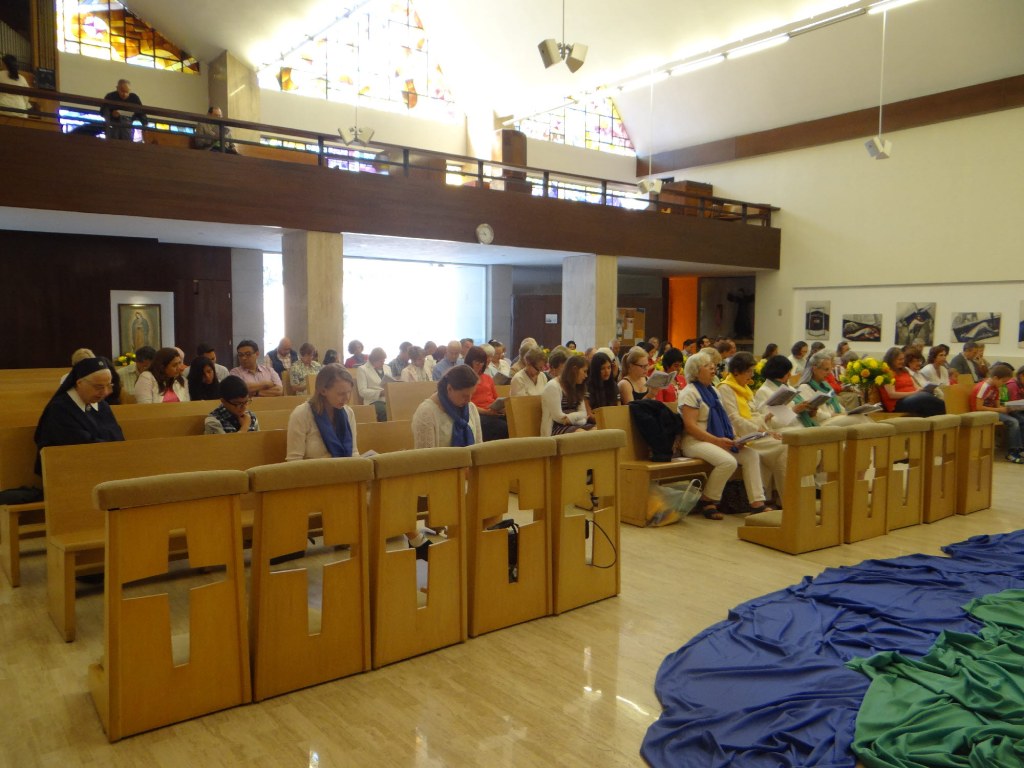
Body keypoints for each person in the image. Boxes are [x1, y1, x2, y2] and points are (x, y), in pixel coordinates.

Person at [679, 352, 774, 519]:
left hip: (717, 439)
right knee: (727, 461)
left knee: (751, 455)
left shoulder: (713, 391)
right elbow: (690, 427)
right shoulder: (690, 392)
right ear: (695, 371)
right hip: (694, 441)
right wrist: (718, 441)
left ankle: (757, 503)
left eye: (712, 365)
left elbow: (725, 420)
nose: (712, 368)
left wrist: (736, 439)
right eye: (707, 365)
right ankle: (708, 500)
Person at [34, 357, 124, 474]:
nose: (106, 392)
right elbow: (81, 447)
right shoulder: (59, 409)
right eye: (99, 387)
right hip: (69, 473)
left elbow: (117, 435)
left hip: (104, 466)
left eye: (109, 386)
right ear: (79, 383)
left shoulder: (102, 405)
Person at [717, 352, 787, 502]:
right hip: (743, 437)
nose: (752, 375)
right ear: (736, 371)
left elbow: (754, 415)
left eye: (752, 371)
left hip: (755, 433)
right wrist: (762, 431)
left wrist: (767, 417)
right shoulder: (726, 388)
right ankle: (780, 499)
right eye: (748, 371)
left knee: (786, 447)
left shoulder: (746, 389)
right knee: (784, 448)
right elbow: (734, 419)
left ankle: (779, 498)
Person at [286, 364, 359, 460]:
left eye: (349, 392)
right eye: (341, 393)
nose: (347, 398)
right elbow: (294, 461)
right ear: (323, 391)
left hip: (344, 470)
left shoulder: (348, 413)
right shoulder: (301, 414)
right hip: (313, 473)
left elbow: (353, 452)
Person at [411, 365, 482, 449]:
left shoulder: (471, 408)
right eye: (464, 396)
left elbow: (479, 448)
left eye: (472, 394)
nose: (469, 400)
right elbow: (426, 459)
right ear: (449, 389)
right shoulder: (426, 413)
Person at [970, 362, 1024, 464]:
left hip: (991, 412)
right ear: (995, 378)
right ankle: (1012, 452)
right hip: (980, 413)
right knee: (1013, 422)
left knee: (1019, 418)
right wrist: (1000, 410)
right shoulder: (984, 386)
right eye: (1003, 381)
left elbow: (998, 405)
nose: (1004, 384)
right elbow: (978, 407)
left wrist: (1007, 408)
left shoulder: (996, 387)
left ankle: (1019, 449)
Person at [878, 347, 946, 417]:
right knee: (924, 398)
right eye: (899, 359)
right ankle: (949, 411)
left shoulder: (904, 371)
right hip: (897, 403)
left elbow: (915, 386)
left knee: (928, 397)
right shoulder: (887, 372)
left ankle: (945, 415)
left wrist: (921, 390)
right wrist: (914, 393)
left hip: (912, 398)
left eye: (903, 359)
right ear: (891, 360)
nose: (902, 361)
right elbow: (891, 394)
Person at [541, 354, 592, 436]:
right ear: (574, 369)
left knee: (598, 431)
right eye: (584, 371)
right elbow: (559, 417)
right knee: (585, 436)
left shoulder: (578, 386)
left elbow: (583, 412)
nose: (586, 376)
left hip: (575, 425)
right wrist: (582, 420)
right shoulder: (553, 386)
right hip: (557, 427)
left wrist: (572, 419)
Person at [465, 345, 508, 441]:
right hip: (477, 412)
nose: (480, 366)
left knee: (512, 421)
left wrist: (501, 407)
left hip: (491, 410)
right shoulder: (465, 378)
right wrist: (486, 412)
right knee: (502, 427)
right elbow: (467, 404)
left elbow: (496, 398)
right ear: (470, 361)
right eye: (477, 363)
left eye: (482, 363)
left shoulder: (487, 378)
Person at [356, 347, 390, 421]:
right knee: (385, 411)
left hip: (389, 399)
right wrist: (380, 393)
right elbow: (362, 391)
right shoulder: (362, 369)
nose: (383, 363)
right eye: (381, 361)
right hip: (373, 401)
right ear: (373, 360)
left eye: (384, 360)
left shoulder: (387, 368)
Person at [0, 54, 33, 118]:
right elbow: (27, 96)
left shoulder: (0, 75)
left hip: (3, 109)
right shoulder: (22, 78)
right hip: (21, 111)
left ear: (4, 64)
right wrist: (25, 106)